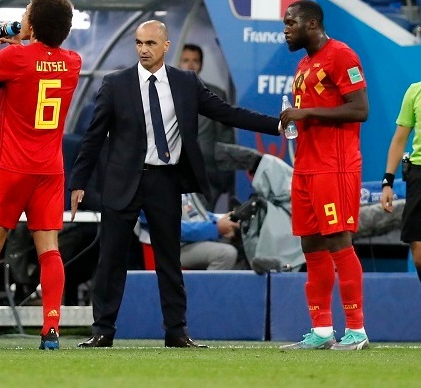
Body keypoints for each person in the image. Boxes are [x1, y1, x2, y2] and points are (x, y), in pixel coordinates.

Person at [68, 19, 281, 348]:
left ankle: (176, 332)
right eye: (139, 43)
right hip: (122, 181)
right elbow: (93, 137)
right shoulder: (115, 84)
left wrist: (276, 125)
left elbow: (227, 113)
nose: (143, 49)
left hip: (165, 181)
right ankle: (102, 332)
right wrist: (78, 181)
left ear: (166, 47)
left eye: (150, 44)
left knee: (170, 259)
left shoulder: (186, 83)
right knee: (110, 259)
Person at [0, 0, 81, 350]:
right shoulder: (73, 60)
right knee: (49, 248)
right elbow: (44, 58)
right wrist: (27, 41)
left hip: (12, 166)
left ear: (34, 22)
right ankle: (51, 330)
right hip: (50, 169)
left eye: (27, 12)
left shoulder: (13, 56)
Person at [279, 0, 370, 350]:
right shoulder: (304, 64)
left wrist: (306, 114)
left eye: (291, 22)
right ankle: (320, 330)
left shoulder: (341, 55)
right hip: (306, 166)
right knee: (311, 245)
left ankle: (357, 330)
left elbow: (361, 109)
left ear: (312, 24)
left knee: (338, 242)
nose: (286, 29)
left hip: (335, 164)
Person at [178, 44, 235, 210]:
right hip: (172, 170)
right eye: (186, 60)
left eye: (195, 61)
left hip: (206, 172)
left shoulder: (216, 94)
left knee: (201, 220)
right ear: (179, 63)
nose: (190, 65)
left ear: (201, 64)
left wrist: (226, 175)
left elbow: (225, 136)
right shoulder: (165, 91)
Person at [379, 81, 421, 284]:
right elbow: (399, 139)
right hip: (418, 175)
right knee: (419, 253)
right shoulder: (415, 91)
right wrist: (387, 181)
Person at [138, 193, 242, 271]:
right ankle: (205, 299)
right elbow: (173, 229)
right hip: (171, 249)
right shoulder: (150, 190)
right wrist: (216, 228)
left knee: (240, 243)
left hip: (191, 241)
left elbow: (199, 214)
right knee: (226, 253)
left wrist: (223, 222)